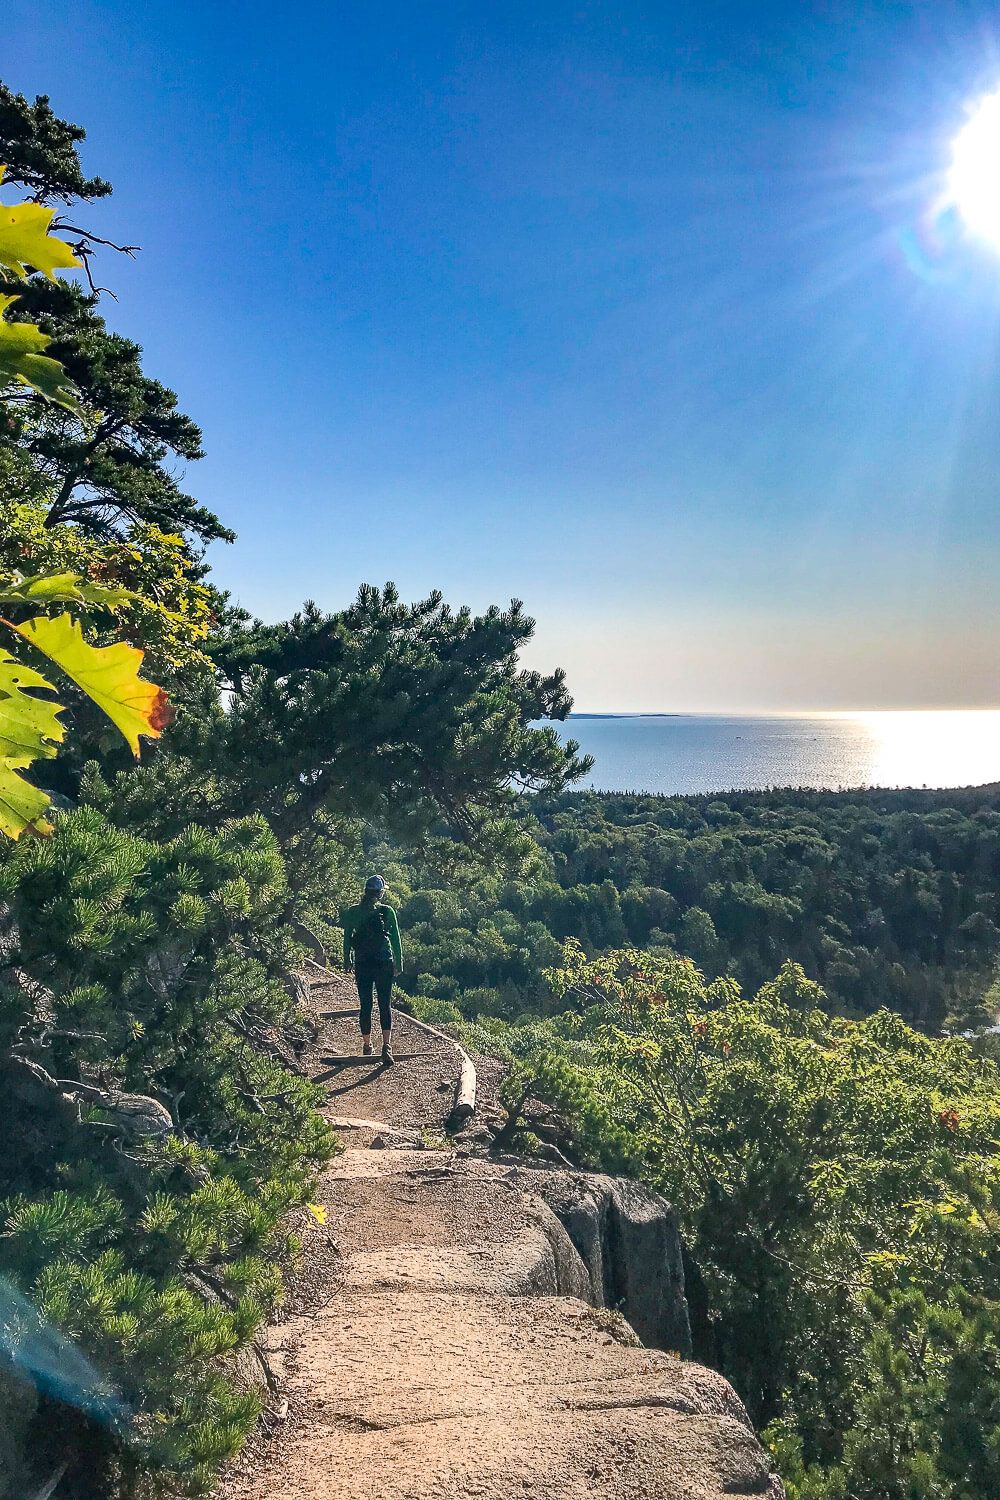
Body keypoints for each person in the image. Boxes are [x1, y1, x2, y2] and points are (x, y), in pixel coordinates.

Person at [342, 875, 403, 1065]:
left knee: (365, 1004)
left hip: (363, 963)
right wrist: (398, 963)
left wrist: (347, 960)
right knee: (385, 1004)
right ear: (381, 893)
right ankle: (387, 1046)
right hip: (384, 962)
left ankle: (367, 1046)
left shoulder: (353, 912)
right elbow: (395, 940)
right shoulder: (387, 911)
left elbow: (346, 938)